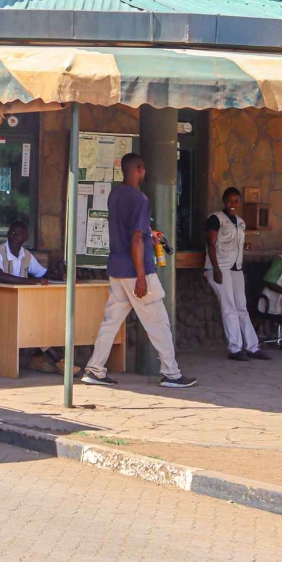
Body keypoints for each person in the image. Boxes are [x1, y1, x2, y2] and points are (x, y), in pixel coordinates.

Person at [80, 153, 196, 388]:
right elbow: (135, 240)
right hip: (136, 271)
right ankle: (171, 374)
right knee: (159, 323)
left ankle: (94, 369)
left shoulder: (115, 195)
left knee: (110, 322)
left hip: (117, 269)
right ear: (140, 169)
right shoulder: (140, 199)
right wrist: (141, 276)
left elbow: (130, 229)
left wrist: (148, 233)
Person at [0, 218, 64, 373]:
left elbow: (42, 272)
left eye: (19, 235)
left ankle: (38, 358)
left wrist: (62, 277)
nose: (15, 237)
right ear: (7, 234)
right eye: (12, 233)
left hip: (20, 304)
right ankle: (57, 359)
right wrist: (30, 281)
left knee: (46, 318)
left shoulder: (26, 255)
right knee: (33, 320)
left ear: (25, 238)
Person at [205, 187, 268, 362]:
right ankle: (234, 348)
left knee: (241, 306)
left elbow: (236, 243)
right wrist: (216, 269)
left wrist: (243, 247)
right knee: (229, 307)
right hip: (220, 268)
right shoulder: (215, 219)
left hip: (236, 268)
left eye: (236, 201)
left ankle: (252, 347)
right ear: (224, 201)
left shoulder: (240, 222)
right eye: (230, 200)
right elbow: (211, 244)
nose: (233, 204)